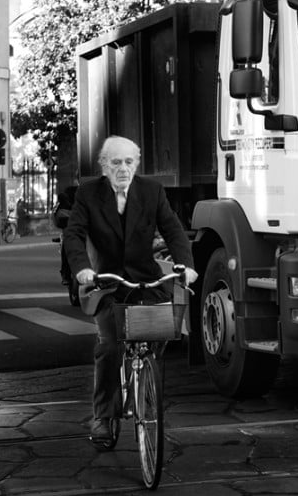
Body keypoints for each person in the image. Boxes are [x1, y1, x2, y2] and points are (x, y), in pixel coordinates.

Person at [63, 136, 199, 448]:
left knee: (164, 328)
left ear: (136, 164)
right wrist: (83, 268)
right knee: (110, 346)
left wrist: (185, 265)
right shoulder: (88, 193)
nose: (123, 169)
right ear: (104, 166)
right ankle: (104, 415)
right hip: (107, 282)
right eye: (116, 163)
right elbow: (73, 235)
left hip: (144, 280)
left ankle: (145, 385)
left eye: (129, 162)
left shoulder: (152, 191)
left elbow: (173, 230)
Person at [53, 186, 78, 286]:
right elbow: (59, 214)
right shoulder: (71, 191)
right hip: (72, 228)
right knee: (68, 243)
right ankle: (66, 274)